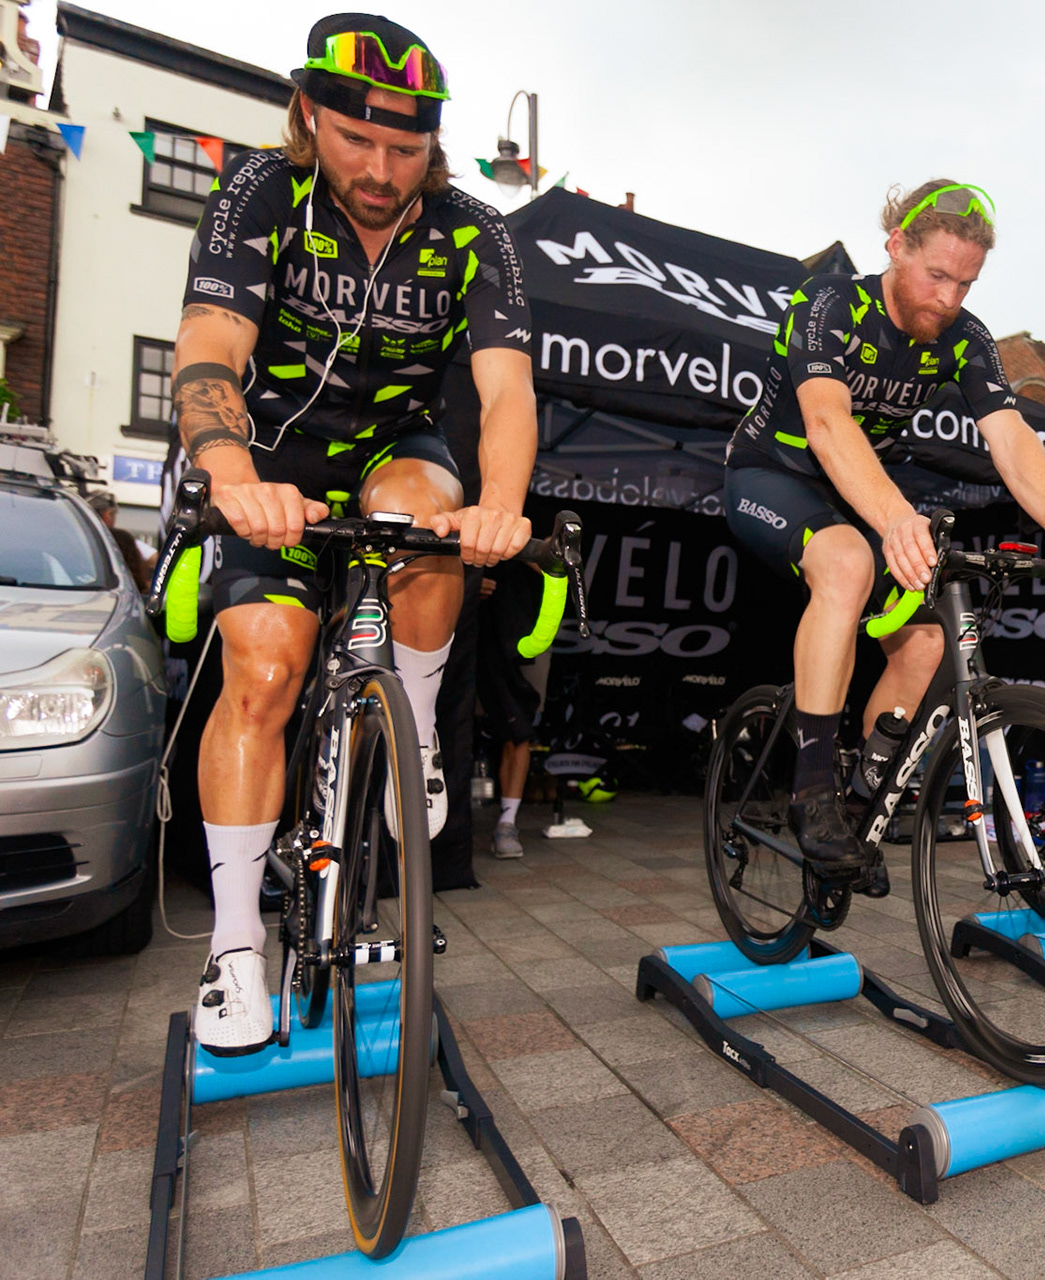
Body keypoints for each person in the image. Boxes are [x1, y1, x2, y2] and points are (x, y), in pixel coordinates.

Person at [171, 15, 534, 1054]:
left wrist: (502, 504)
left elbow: (506, 391)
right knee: (264, 670)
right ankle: (234, 946)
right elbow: (209, 344)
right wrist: (234, 478)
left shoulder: (475, 230)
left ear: (434, 143)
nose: (380, 170)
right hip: (271, 456)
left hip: (393, 446)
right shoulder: (261, 191)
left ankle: (411, 734)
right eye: (356, 140)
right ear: (308, 115)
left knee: (429, 521)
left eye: (406, 149)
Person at [724, 180, 1045, 877]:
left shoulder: (965, 337)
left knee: (929, 646)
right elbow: (827, 422)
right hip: (771, 474)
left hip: (857, 493)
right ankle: (811, 791)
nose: (948, 299)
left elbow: (1012, 440)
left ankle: (858, 810)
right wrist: (894, 519)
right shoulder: (829, 304)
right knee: (848, 563)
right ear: (895, 246)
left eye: (966, 284)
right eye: (936, 275)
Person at [476, 562, 552, 858]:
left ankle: (507, 823)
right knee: (450, 723)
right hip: (472, 627)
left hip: (526, 628)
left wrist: (531, 551)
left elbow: (563, 566)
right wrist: (468, 582)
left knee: (519, 729)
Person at [87, 489, 154, 591]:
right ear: (108, 514)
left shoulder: (78, 537)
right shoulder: (120, 539)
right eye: (114, 514)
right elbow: (154, 558)